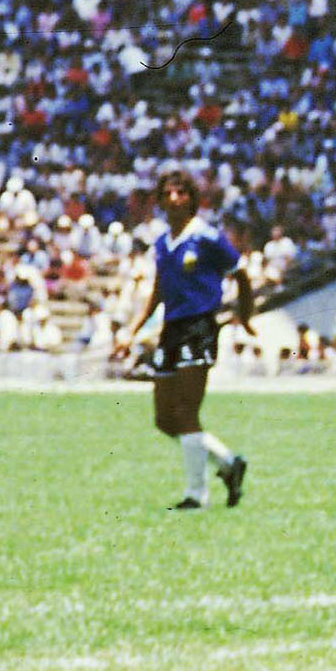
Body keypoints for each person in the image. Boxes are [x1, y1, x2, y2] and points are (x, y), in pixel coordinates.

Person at [112, 169, 253, 511]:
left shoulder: (207, 237)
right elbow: (158, 291)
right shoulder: (162, 243)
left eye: (180, 193)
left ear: (192, 199)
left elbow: (242, 276)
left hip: (199, 328)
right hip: (171, 330)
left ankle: (196, 495)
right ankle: (227, 463)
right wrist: (133, 328)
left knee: (187, 411)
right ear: (160, 201)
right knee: (164, 419)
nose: (174, 199)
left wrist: (244, 316)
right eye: (167, 194)